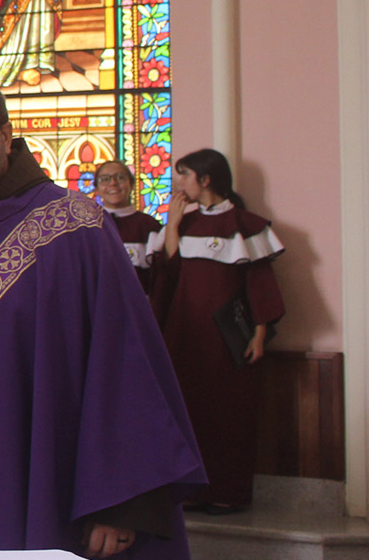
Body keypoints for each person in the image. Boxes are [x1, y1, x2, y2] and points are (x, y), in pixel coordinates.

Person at [0, 73, 203, 560]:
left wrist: (124, 502)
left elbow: (127, 363)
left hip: (59, 500)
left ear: (6, 132)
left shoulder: (76, 227)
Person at [151, 149, 284, 515]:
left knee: (229, 416)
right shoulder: (185, 222)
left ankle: (229, 492)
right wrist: (173, 224)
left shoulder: (245, 223)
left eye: (184, 175)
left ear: (205, 180)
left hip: (227, 341)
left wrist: (259, 333)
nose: (178, 183)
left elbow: (260, 283)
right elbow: (170, 274)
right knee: (189, 414)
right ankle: (192, 490)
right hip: (185, 336)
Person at [94, 160, 163, 289]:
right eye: (105, 179)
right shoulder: (88, 226)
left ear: (131, 184)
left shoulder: (149, 225)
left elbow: (158, 274)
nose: (113, 183)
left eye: (120, 177)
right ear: (96, 189)